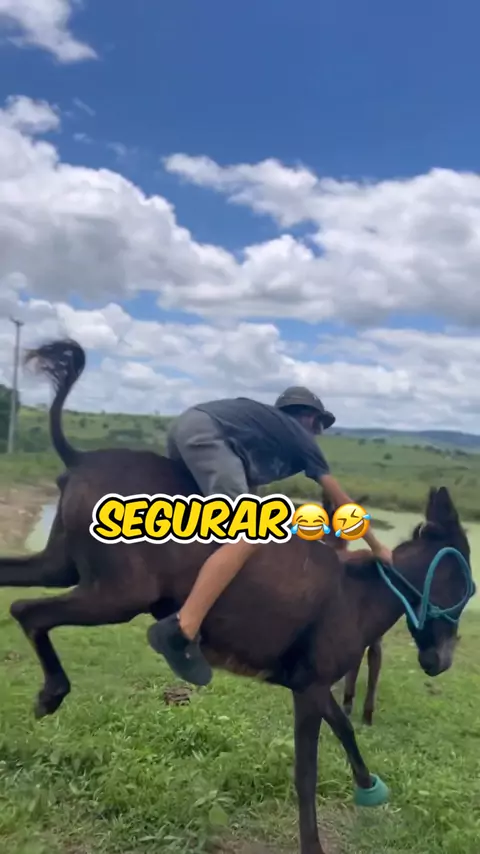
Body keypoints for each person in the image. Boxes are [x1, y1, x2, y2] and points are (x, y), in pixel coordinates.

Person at [147, 387, 393, 686]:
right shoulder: (299, 436)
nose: (318, 433)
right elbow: (343, 504)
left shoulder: (264, 433)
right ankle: (182, 628)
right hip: (208, 434)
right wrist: (377, 547)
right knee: (249, 534)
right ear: (306, 416)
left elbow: (249, 490)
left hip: (187, 428)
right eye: (319, 424)